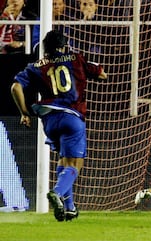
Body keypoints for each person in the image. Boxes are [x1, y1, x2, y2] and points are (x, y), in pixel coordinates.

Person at [11, 29, 107, 221]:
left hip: (49, 120)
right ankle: (56, 192)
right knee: (75, 164)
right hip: (72, 116)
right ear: (65, 45)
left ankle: (69, 207)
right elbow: (102, 74)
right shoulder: (76, 58)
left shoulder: (36, 65)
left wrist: (24, 113)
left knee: (63, 161)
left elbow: (15, 87)